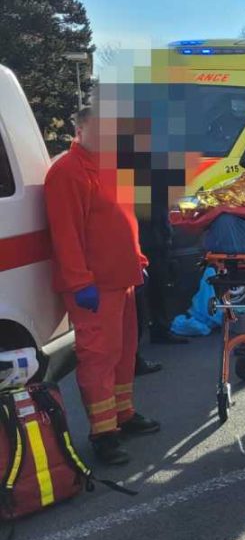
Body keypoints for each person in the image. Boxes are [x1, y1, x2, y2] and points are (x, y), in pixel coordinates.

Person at [44, 105, 161, 466]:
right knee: (99, 357)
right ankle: (103, 433)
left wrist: (138, 261)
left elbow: (125, 220)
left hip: (122, 281)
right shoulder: (66, 172)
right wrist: (80, 283)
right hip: (94, 287)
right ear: (79, 129)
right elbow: (66, 234)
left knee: (124, 353)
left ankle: (123, 415)